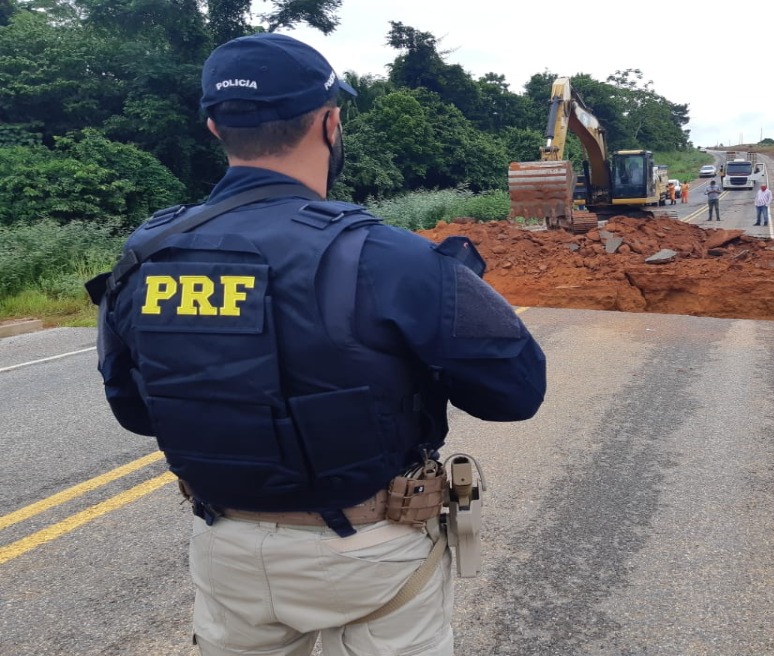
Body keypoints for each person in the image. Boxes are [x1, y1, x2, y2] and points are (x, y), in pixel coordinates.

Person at [89, 33, 546, 656]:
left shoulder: (145, 256)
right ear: (331, 124)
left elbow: (133, 409)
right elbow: (517, 393)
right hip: (372, 552)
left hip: (227, 554)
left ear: (215, 126)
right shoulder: (393, 256)